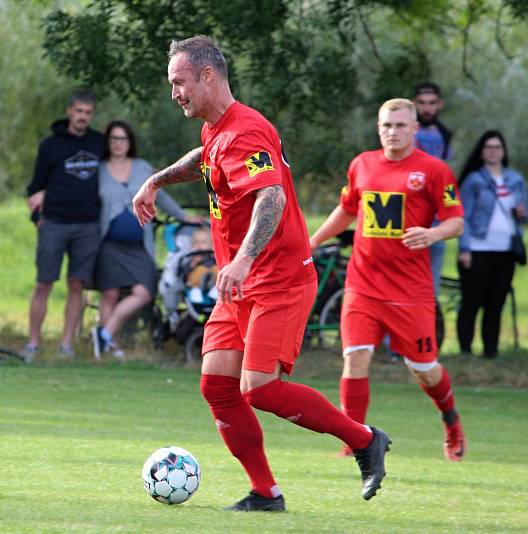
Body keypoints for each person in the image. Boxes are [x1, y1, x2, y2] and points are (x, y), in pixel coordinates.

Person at [133, 36, 390, 512]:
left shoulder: (245, 131)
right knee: (217, 385)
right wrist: (156, 179)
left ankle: (364, 439)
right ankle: (266, 493)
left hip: (279, 279)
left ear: (208, 76)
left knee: (261, 389)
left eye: (179, 82)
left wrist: (244, 259)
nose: (175, 93)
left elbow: (270, 197)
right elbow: (204, 161)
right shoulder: (217, 128)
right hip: (242, 284)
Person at [309, 98, 467, 461]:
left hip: (410, 292)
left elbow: (456, 221)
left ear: (414, 129)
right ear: (378, 128)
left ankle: (451, 421)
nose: (392, 131)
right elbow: (348, 209)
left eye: (400, 125)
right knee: (355, 357)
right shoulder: (362, 164)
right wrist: (314, 239)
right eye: (386, 125)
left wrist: (432, 235)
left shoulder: (434, 170)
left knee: (423, 369)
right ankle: (354, 440)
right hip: (363, 285)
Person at [92, 120, 194, 360]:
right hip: (108, 244)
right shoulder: (99, 170)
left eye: (122, 139)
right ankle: (108, 347)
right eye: (113, 139)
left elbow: (161, 195)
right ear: (108, 143)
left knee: (145, 292)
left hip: (138, 246)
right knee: (109, 294)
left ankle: (104, 334)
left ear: (130, 142)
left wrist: (184, 217)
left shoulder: (142, 167)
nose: (118, 144)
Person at [24, 90, 105, 361]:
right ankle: (33, 343)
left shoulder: (98, 143)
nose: (83, 117)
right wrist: (39, 220)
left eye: (88, 112)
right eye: (79, 111)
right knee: (44, 283)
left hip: (88, 225)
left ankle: (66, 345)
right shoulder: (50, 146)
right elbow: (35, 188)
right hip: (55, 223)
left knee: (76, 284)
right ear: (69, 111)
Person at [456, 130, 526, 358]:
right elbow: (462, 215)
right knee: (472, 302)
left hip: (505, 250)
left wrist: (522, 213)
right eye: (488, 147)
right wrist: (464, 248)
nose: (493, 151)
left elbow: (524, 215)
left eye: (497, 147)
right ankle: (465, 350)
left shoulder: (515, 179)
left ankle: (490, 351)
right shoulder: (473, 180)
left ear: (504, 151)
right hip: (477, 249)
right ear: (481, 151)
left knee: (496, 302)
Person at [414, 82, 454, 296]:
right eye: (422, 103)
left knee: (429, 290)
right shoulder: (405, 132)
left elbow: (445, 177)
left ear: (439, 105)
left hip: (435, 224)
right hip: (407, 222)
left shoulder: (445, 135)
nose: (426, 108)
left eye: (431, 103)